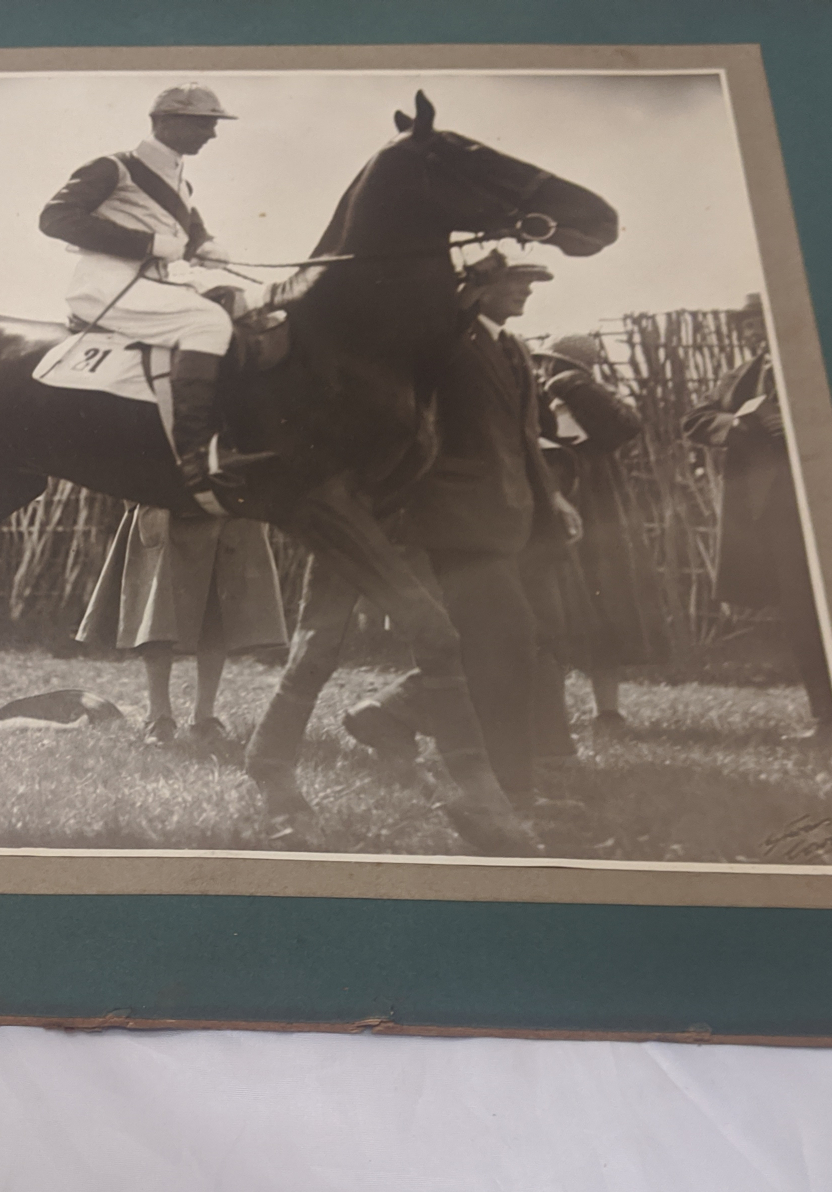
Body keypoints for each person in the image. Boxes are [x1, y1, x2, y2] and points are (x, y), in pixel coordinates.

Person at [339, 253, 586, 804]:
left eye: (531, 280)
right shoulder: (446, 342)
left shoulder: (513, 348)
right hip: (458, 520)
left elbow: (523, 440)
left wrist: (553, 499)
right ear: (476, 287)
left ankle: (394, 713)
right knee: (508, 643)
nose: (525, 290)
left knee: (509, 643)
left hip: (513, 519)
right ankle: (503, 788)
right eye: (513, 279)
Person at [39, 84, 239, 502]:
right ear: (165, 122)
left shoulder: (182, 183)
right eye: (204, 123)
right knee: (207, 323)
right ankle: (193, 454)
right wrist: (143, 243)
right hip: (107, 284)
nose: (213, 134)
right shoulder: (113, 167)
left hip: (155, 284)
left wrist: (205, 245)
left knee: (239, 305)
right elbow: (54, 219)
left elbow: (189, 231)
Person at [681, 295, 832, 738]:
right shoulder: (742, 375)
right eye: (746, 327)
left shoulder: (821, 356)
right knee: (802, 609)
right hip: (777, 508)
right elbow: (696, 418)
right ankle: (826, 717)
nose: (751, 333)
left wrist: (799, 420)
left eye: (758, 322)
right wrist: (741, 421)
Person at [73, 482, 288, 747]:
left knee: (215, 614)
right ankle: (158, 716)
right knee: (157, 615)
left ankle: (204, 717)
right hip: (165, 509)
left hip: (225, 508)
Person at [537, 332, 670, 730]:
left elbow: (624, 427)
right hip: (598, 498)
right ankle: (605, 710)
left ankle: (569, 712)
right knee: (600, 599)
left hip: (575, 495)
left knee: (569, 601)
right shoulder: (577, 394)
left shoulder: (564, 388)